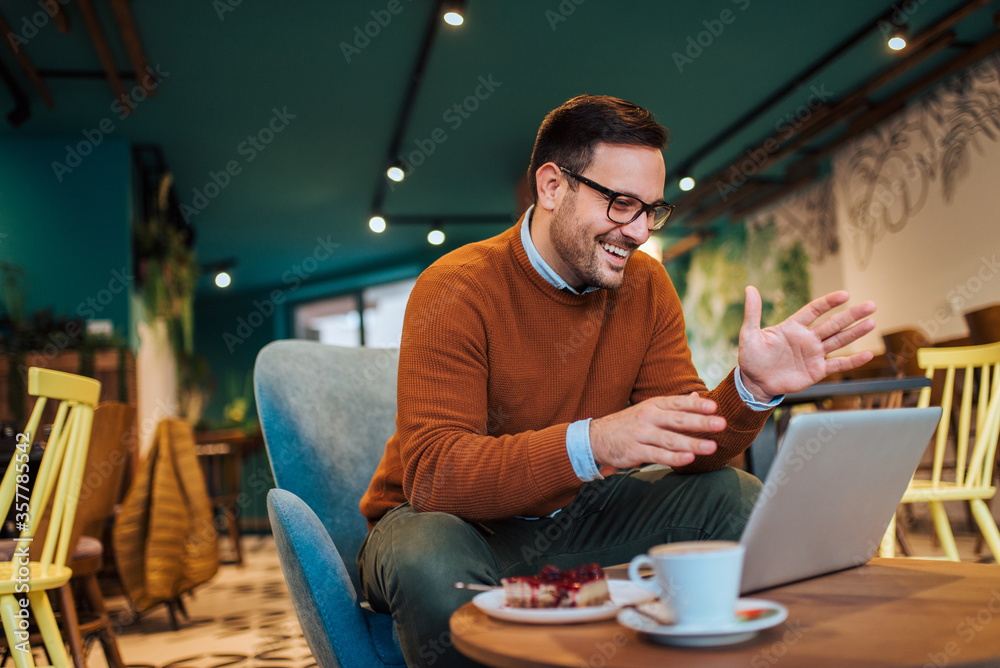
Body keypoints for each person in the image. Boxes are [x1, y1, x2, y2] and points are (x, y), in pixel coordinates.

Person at [357, 94, 876, 667]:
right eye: (621, 204)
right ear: (552, 187)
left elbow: (699, 451)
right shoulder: (455, 287)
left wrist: (751, 389)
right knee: (424, 553)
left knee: (732, 497)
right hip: (452, 527)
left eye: (652, 210)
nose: (638, 232)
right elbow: (435, 476)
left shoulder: (647, 287)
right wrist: (596, 442)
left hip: (575, 520)